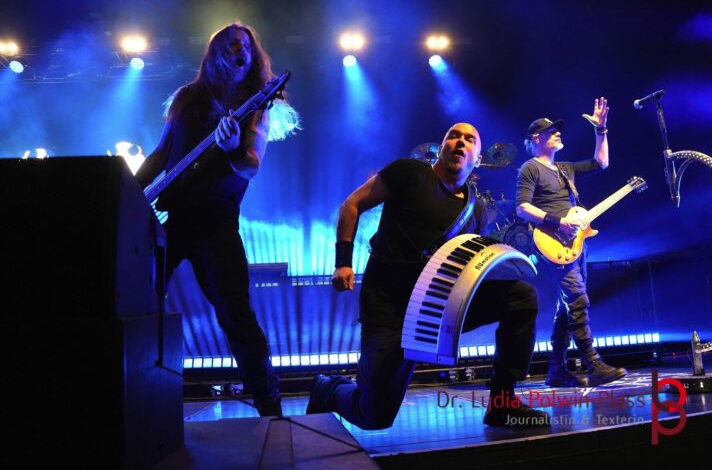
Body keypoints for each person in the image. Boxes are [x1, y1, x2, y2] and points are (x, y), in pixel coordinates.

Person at [306, 122, 548, 429]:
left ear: (478, 158)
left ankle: (503, 402)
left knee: (520, 296)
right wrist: (343, 262)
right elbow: (352, 204)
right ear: (442, 146)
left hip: (436, 307)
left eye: (469, 139)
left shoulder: (476, 210)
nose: (460, 141)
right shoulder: (408, 172)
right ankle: (327, 388)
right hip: (390, 307)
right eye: (453, 136)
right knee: (374, 416)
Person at [135, 22, 282, 416]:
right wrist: (130, 193)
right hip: (174, 219)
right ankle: (139, 398)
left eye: (246, 46)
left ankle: (269, 404)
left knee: (235, 314)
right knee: (139, 302)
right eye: (232, 44)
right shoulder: (187, 97)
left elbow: (251, 166)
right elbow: (161, 154)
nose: (241, 50)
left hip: (217, 223)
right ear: (216, 51)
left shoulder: (257, 106)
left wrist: (232, 148)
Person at [515, 97, 627, 387]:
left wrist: (601, 129)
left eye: (558, 130)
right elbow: (522, 208)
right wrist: (558, 222)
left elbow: (602, 162)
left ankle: (557, 369)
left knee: (568, 306)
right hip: (551, 243)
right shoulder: (530, 168)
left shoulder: (565, 168)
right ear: (536, 138)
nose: (558, 133)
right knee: (577, 298)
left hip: (575, 244)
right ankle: (592, 363)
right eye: (551, 131)